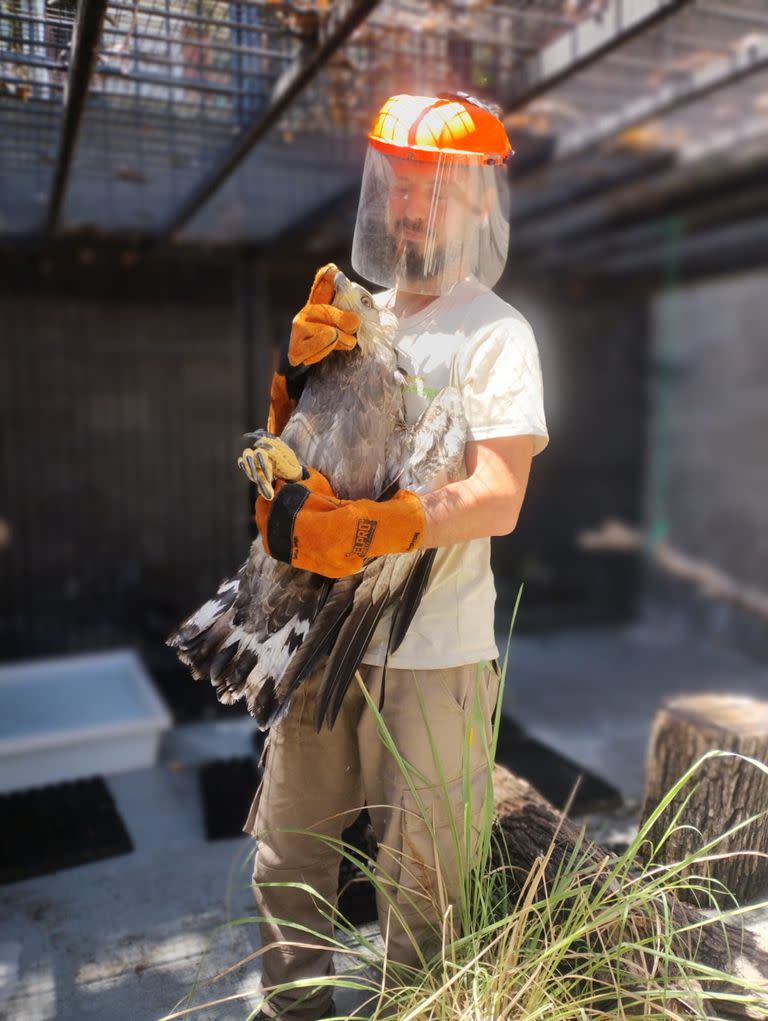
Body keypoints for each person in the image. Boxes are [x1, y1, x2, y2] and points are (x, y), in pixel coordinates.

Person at [242, 92, 549, 1021]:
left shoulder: (496, 333)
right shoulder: (349, 314)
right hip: (318, 635)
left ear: (480, 206)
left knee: (424, 887)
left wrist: (380, 527)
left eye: (434, 192)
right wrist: (285, 408)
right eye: (400, 187)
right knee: (290, 859)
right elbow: (301, 465)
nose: (411, 208)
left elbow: (499, 496)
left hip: (432, 656)